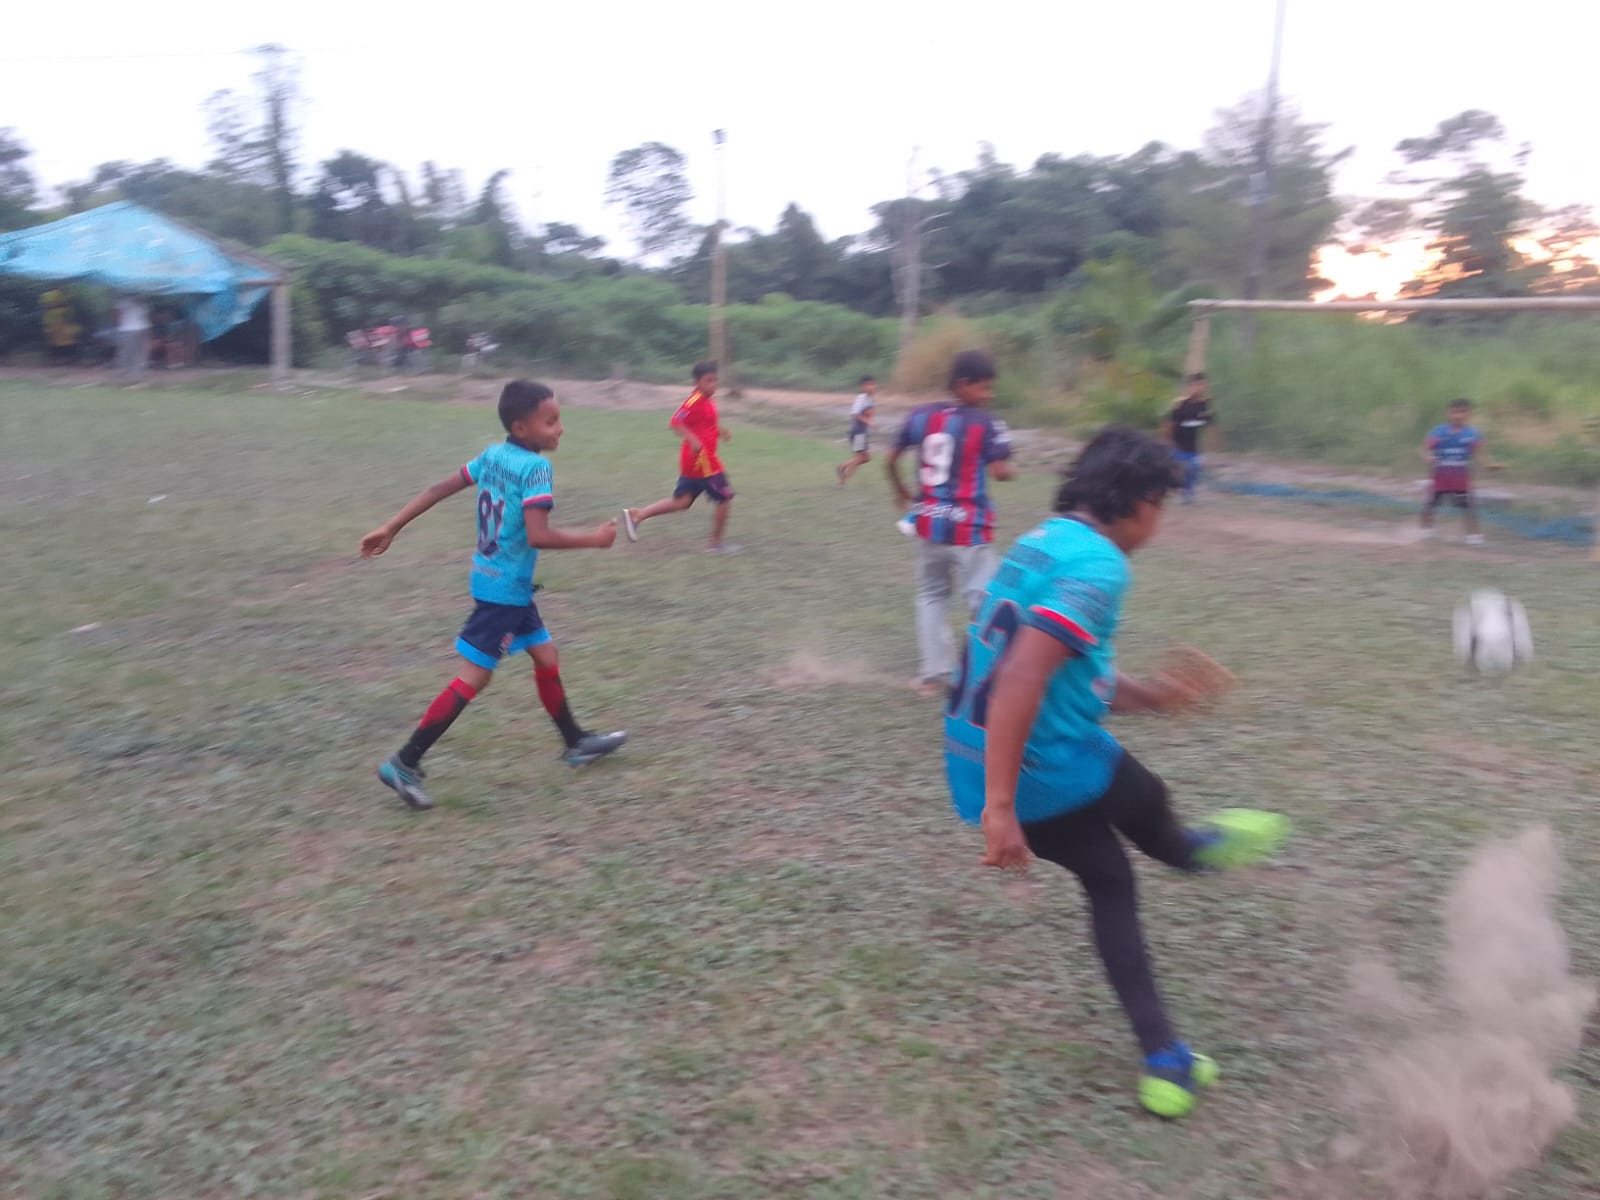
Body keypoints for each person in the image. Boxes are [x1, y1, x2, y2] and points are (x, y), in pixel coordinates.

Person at [947, 425, 1289, 1119]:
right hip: (1040, 769)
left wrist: (1156, 696)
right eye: (1162, 505)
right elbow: (1021, 677)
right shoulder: (1101, 566)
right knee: (1145, 803)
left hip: (974, 762)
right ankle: (1193, 852)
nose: (1160, 522)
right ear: (1139, 503)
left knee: (1109, 878)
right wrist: (1001, 808)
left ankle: (1165, 1058)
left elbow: (1060, 669)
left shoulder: (1042, 540)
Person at [360, 380, 627, 809]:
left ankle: (575, 742)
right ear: (522, 428)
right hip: (504, 592)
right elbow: (538, 535)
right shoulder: (535, 469)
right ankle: (404, 762)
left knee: (546, 656)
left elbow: (438, 489)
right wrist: (593, 540)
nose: (560, 428)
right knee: (474, 677)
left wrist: (391, 526)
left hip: (496, 581)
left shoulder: (493, 456)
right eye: (551, 421)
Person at [886, 349, 1015, 694]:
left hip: (928, 523)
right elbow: (1000, 472)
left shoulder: (919, 415)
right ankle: (992, 672)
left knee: (931, 594)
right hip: (968, 526)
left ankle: (933, 673)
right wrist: (1010, 470)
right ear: (962, 384)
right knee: (985, 599)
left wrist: (900, 490)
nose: (988, 395)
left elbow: (891, 459)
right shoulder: (986, 423)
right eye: (983, 387)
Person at [620, 361, 738, 553]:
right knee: (724, 496)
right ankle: (715, 544)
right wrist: (692, 440)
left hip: (697, 461)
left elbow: (704, 425)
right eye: (709, 380)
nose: (714, 384)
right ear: (697, 382)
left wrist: (720, 432)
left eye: (715, 380)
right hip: (702, 461)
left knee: (682, 501)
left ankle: (638, 515)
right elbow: (675, 421)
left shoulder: (707, 400)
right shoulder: (694, 400)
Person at [1421, 398, 1499, 545]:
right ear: (1448, 413)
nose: (1458, 416)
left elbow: (1479, 454)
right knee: (1430, 504)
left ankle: (1474, 537)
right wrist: (1428, 456)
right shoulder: (1438, 431)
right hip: (1440, 475)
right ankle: (1425, 533)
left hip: (1460, 476)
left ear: (1469, 414)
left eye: (1462, 412)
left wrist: (1489, 464)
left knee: (1469, 507)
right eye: (1454, 412)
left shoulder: (1472, 434)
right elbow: (1425, 448)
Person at [1166, 373, 1216, 504]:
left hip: (1194, 447)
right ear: (1189, 386)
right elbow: (1170, 423)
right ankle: (1178, 489)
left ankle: (1188, 493)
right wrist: (1168, 441)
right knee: (1181, 470)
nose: (1199, 388)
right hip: (1178, 446)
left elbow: (1210, 424)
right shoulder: (1180, 404)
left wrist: (1212, 443)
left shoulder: (1205, 405)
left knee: (1194, 469)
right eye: (1196, 385)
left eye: (1202, 385)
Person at [836, 375, 878, 484]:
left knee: (861, 458)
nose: (872, 387)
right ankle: (842, 467)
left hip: (862, 432)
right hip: (858, 432)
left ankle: (843, 479)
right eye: (869, 385)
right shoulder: (861, 398)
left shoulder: (870, 400)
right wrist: (869, 422)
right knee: (863, 458)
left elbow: (868, 414)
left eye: (873, 384)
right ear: (863, 387)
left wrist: (870, 422)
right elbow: (855, 414)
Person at [112, 294, 151, 381]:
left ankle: (130, 371)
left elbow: (116, 315)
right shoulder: (139, 303)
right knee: (131, 351)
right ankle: (130, 371)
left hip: (133, 329)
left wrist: (116, 325)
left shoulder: (123, 302)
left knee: (131, 351)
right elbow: (117, 314)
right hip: (134, 328)